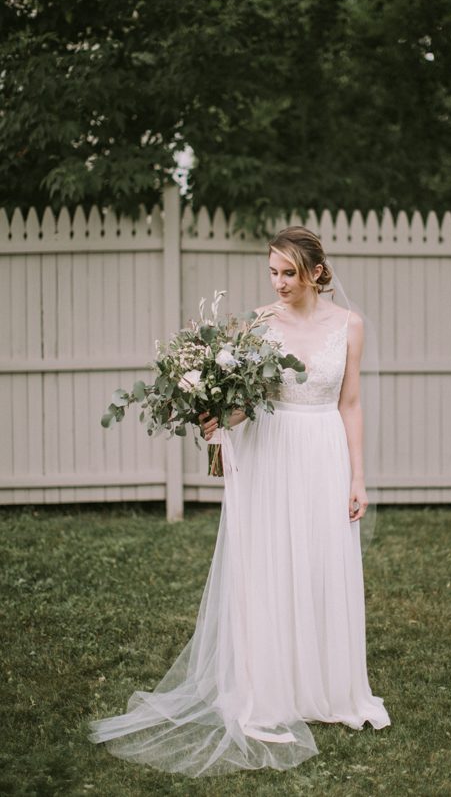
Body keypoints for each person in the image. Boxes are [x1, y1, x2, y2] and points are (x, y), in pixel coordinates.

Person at [88, 226, 390, 777]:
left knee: (322, 565)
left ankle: (326, 689)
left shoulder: (350, 327)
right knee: (269, 567)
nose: (278, 283)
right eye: (272, 271)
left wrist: (358, 477)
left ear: (317, 273)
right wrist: (214, 418)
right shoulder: (257, 324)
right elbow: (247, 403)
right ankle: (267, 689)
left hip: (323, 452)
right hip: (268, 455)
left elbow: (351, 403)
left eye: (289, 273)